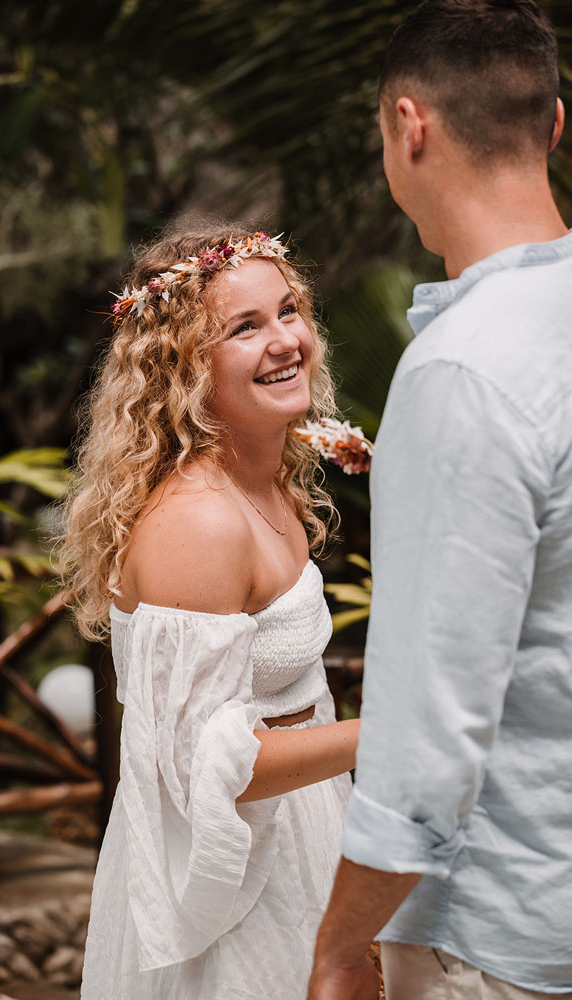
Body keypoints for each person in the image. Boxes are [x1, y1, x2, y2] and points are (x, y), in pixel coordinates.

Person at [308, 2, 572, 998]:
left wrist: (340, 941)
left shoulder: (461, 368)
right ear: (551, 126)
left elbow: (429, 738)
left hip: (499, 935)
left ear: (407, 127)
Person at [60, 224, 360, 999]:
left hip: (309, 825)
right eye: (244, 327)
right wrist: (392, 734)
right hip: (231, 882)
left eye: (288, 311)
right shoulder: (198, 523)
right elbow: (199, 773)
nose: (285, 340)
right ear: (183, 367)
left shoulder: (271, 481)